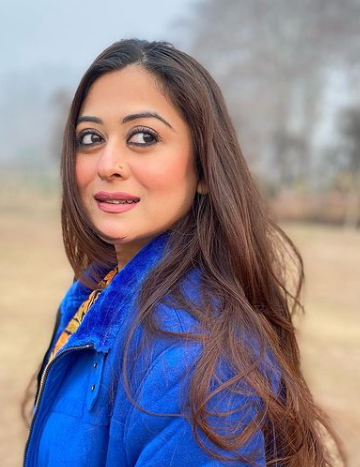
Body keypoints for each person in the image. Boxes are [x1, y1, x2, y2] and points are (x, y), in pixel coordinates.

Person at [23, 39, 344, 466]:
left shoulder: (192, 362)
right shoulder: (91, 295)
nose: (107, 164)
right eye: (91, 137)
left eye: (143, 136)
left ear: (204, 169)